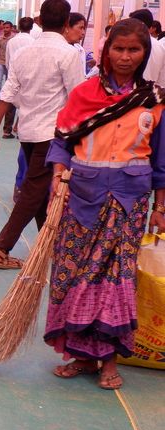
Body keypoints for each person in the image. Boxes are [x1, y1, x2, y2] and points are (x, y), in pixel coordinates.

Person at [44, 18, 165, 389]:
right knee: (76, 275)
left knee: (116, 280)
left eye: (134, 50)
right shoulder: (83, 94)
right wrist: (57, 179)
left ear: (145, 54)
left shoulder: (154, 100)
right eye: (119, 49)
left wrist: (160, 207)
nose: (126, 57)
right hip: (81, 198)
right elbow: (61, 142)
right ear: (107, 51)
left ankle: (109, 360)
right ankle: (82, 356)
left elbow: (160, 161)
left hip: (129, 204)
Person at [0, 0, 83, 269]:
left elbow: (8, 92)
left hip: (27, 131)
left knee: (36, 191)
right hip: (53, 135)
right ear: (65, 23)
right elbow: (77, 98)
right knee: (32, 192)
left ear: (39, 20)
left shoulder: (24, 52)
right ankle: (1, 249)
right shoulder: (69, 54)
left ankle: (50, 248)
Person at [128, 9, 165, 84]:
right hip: (151, 92)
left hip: (130, 91)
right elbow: (162, 80)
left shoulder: (130, 44)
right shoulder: (160, 47)